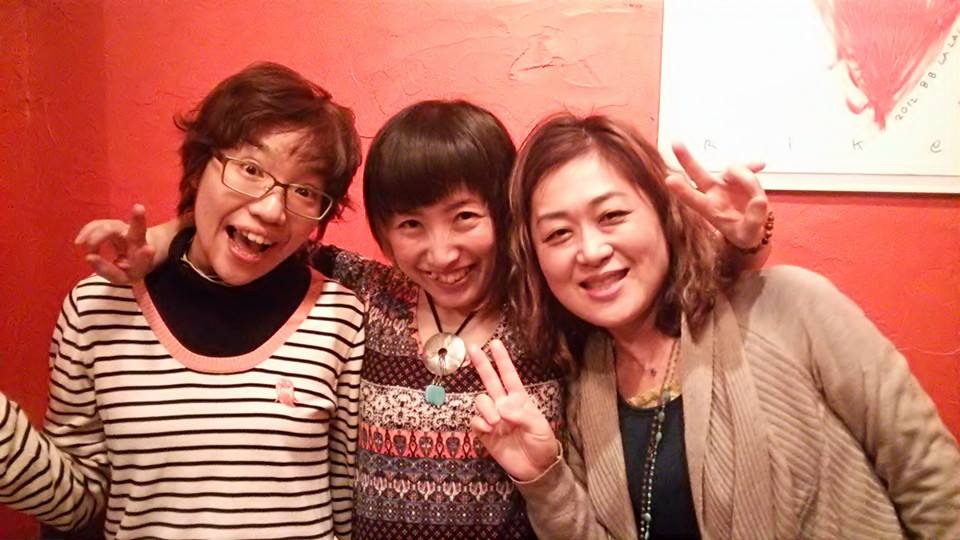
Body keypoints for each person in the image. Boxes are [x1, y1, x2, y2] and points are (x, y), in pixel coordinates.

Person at [74, 101, 771, 538]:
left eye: (465, 217)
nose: (440, 253)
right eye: (410, 225)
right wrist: (164, 237)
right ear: (383, 232)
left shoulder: (545, 304)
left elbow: (657, 289)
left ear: (505, 213)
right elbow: (268, 233)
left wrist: (744, 242)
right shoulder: (370, 293)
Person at [469, 113, 960, 539]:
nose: (591, 251)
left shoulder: (790, 307)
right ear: (536, 260)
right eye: (558, 233)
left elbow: (932, 480)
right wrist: (544, 478)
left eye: (612, 215)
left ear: (663, 214)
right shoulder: (581, 387)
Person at [0, 62, 365, 539]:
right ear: (198, 168)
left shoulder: (337, 317)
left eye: (304, 191)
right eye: (250, 169)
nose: (272, 209)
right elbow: (77, 505)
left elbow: (349, 511)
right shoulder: (97, 309)